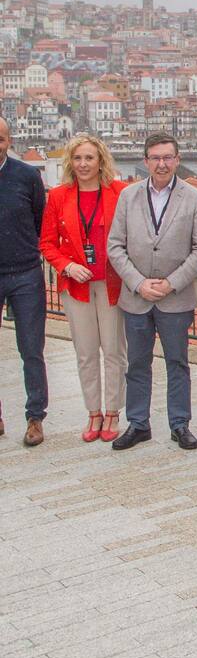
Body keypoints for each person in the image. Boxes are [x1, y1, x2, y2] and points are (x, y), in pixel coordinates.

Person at [107, 132, 197, 450]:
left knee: (177, 363)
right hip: (136, 297)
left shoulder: (193, 198)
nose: (162, 164)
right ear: (146, 161)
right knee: (137, 363)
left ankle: (180, 424)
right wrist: (138, 282)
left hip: (175, 298)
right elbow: (115, 246)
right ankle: (138, 424)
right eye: (155, 158)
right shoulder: (128, 196)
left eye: (168, 157)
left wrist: (171, 283)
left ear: (178, 160)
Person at [39, 134, 128, 442]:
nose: (83, 164)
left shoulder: (120, 192)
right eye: (77, 158)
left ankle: (113, 411)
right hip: (76, 286)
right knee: (86, 352)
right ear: (70, 162)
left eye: (89, 157)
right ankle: (94, 412)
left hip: (112, 284)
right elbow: (47, 243)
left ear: (100, 160)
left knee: (114, 350)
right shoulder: (58, 196)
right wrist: (67, 266)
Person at [0, 116, 48, 446]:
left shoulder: (27, 176)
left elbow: (39, 220)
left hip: (26, 273)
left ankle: (35, 417)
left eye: (0, 139)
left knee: (31, 349)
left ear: (9, 141)